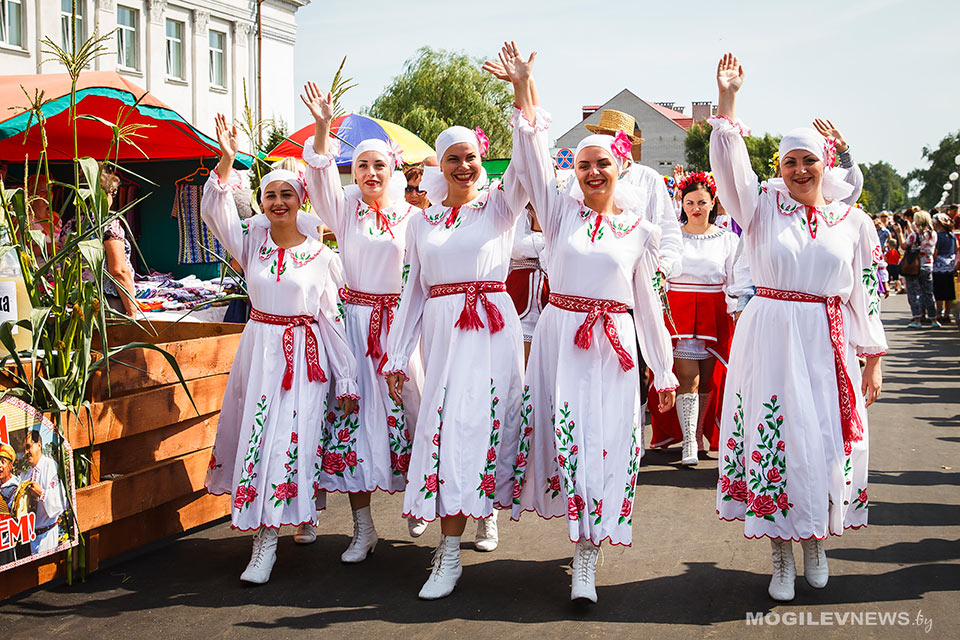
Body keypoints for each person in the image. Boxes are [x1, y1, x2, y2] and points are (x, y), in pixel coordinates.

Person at [493, 42, 677, 604]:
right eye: (584, 163)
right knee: (567, 442)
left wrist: (663, 369)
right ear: (574, 171)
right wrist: (523, 90)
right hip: (561, 340)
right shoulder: (558, 212)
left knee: (606, 443)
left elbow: (645, 303)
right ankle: (578, 540)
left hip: (614, 346)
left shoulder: (641, 230)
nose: (594, 171)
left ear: (622, 168)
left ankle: (586, 559)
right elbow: (532, 153)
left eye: (604, 163)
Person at [710, 53, 885, 602]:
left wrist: (873, 356)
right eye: (790, 162)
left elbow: (867, 292)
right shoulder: (761, 207)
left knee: (823, 443)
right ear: (779, 167)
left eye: (809, 160)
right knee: (777, 440)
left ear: (824, 164)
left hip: (826, 343)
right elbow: (729, 170)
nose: (800, 171)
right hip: (770, 340)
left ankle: (816, 543)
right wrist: (728, 101)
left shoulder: (852, 221)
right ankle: (779, 555)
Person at [202, 113, 360, 585]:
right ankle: (269, 536)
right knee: (261, 438)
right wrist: (228, 159)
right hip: (260, 351)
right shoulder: (251, 246)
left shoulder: (322, 257)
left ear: (300, 200)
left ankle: (282, 530)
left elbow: (332, 321)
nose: (277, 202)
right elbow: (216, 211)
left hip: (305, 361)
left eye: (286, 194)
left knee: (295, 441)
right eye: (269, 194)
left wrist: (347, 374)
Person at [383, 120, 528, 600]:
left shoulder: (499, 206)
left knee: (483, 424)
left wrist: (523, 102)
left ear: (481, 160)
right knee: (449, 430)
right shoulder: (421, 222)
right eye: (452, 158)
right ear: (439, 167)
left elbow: (530, 167)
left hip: (490, 332)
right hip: (444, 337)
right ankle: (448, 552)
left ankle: (482, 514)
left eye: (471, 157)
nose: (463, 166)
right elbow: (412, 293)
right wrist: (397, 356)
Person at [300, 81, 426, 557]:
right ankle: (363, 527)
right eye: (363, 165)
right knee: (354, 422)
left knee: (414, 412)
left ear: (394, 168)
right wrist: (321, 127)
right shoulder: (346, 209)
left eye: (380, 164)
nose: (371, 172)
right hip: (355, 326)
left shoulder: (414, 217)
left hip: (401, 327)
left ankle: (418, 503)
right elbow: (319, 177)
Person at [649, 171, 739, 466]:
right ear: (681, 203)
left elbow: (735, 278)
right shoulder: (672, 236)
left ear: (713, 202)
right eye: (689, 202)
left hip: (714, 310)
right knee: (688, 377)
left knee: (709, 380)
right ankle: (689, 442)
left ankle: (699, 434)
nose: (695, 208)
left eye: (702, 202)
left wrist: (736, 309)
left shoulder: (727, 239)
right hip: (680, 309)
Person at [506, 203, 547, 364]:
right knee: (519, 358)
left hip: (550, 293)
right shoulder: (513, 212)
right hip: (518, 292)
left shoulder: (558, 208)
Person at [22, 431, 65, 554]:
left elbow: (60, 503)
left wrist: (42, 493)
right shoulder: (28, 475)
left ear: (39, 445)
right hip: (33, 538)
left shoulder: (50, 466)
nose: (26, 452)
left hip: (48, 535)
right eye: (25, 449)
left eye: (28, 447)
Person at [903, 211, 938, 328]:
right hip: (928, 265)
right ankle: (933, 318)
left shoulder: (915, 235)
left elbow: (904, 246)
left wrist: (899, 233)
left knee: (914, 292)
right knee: (928, 292)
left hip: (914, 266)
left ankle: (917, 319)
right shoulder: (933, 234)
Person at [932, 213, 957, 322]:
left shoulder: (938, 236)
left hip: (939, 267)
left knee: (939, 292)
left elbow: (935, 253)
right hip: (950, 266)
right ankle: (947, 314)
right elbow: (957, 248)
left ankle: (939, 313)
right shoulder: (952, 235)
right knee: (949, 292)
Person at [0, 443, 20, 564]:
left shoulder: (14, 489)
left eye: (2, 462)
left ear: (11, 466)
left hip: (7, 538)